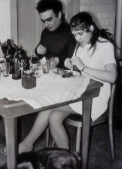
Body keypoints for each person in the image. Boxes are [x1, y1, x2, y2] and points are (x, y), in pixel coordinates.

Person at [19, 11, 117, 153]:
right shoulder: (81, 45)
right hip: (80, 91)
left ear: (90, 28)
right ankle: (65, 159)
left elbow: (112, 77)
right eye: (75, 35)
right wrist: (71, 64)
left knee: (49, 109)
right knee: (53, 114)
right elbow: (79, 71)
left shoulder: (105, 45)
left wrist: (84, 67)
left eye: (80, 34)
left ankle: (27, 145)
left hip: (95, 97)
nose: (77, 38)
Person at [35, 0, 76, 68]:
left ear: (59, 15)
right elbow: (41, 53)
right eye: (43, 21)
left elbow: (72, 59)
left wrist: (58, 60)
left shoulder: (72, 32)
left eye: (49, 20)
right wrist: (38, 50)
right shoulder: (45, 32)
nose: (46, 25)